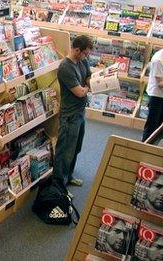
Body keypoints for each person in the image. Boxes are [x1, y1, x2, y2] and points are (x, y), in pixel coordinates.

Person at [52, 35, 93, 189]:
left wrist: (92, 82)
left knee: (76, 148)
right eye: (85, 53)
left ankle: (68, 176)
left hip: (80, 112)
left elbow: (88, 76)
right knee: (64, 152)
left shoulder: (82, 60)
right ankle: (58, 185)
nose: (87, 56)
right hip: (69, 116)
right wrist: (90, 87)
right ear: (77, 50)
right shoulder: (65, 68)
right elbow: (79, 92)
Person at [142, 48, 163, 141]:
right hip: (157, 96)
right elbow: (160, 83)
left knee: (159, 128)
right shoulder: (158, 59)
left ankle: (153, 150)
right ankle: (144, 147)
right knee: (152, 125)